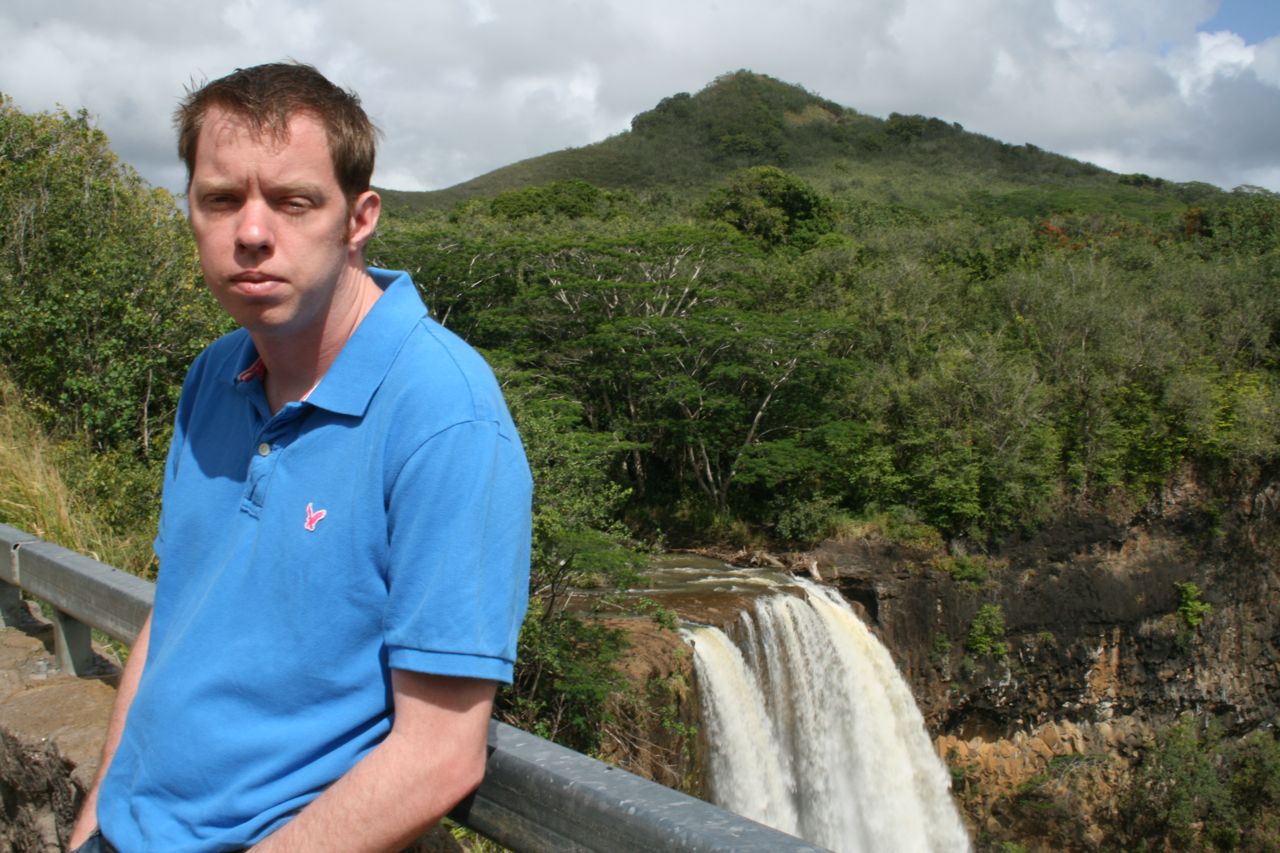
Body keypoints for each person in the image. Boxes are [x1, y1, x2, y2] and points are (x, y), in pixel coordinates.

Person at [68, 62, 532, 853]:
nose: (252, 232)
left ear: (359, 217)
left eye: (293, 201)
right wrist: (99, 812)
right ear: (190, 210)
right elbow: (179, 607)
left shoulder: (443, 414)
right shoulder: (216, 372)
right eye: (221, 199)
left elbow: (440, 753)